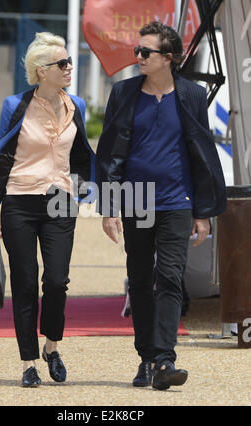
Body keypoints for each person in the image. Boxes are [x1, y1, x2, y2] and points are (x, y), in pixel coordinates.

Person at [96, 22, 226, 390]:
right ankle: (146, 357)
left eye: (145, 52)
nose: (137, 57)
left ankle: (165, 358)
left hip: (176, 202)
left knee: (170, 277)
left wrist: (202, 212)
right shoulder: (123, 94)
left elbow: (202, 155)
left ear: (167, 58)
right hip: (136, 202)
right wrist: (109, 206)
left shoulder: (192, 96)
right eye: (137, 51)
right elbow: (108, 155)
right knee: (139, 279)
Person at [0, 32, 95, 387]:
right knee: (26, 282)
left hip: (60, 201)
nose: (69, 68)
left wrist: (81, 191)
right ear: (40, 70)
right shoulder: (14, 105)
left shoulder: (75, 103)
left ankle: (51, 346)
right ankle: (29, 362)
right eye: (62, 63)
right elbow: (1, 155)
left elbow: (81, 154)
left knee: (57, 281)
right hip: (18, 199)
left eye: (69, 62)